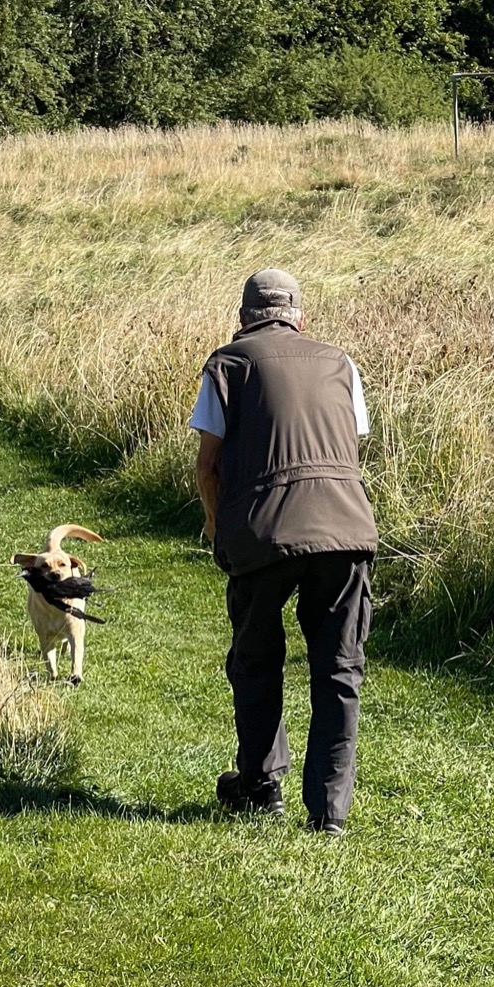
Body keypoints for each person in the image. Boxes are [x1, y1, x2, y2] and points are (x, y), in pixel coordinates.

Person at [189, 268, 378, 835]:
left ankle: (261, 787)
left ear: (243, 316)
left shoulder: (227, 365)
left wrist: (215, 522)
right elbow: (351, 445)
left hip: (263, 531)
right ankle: (330, 814)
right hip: (345, 529)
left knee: (256, 659)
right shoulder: (341, 363)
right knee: (339, 668)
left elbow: (207, 464)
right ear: (299, 315)